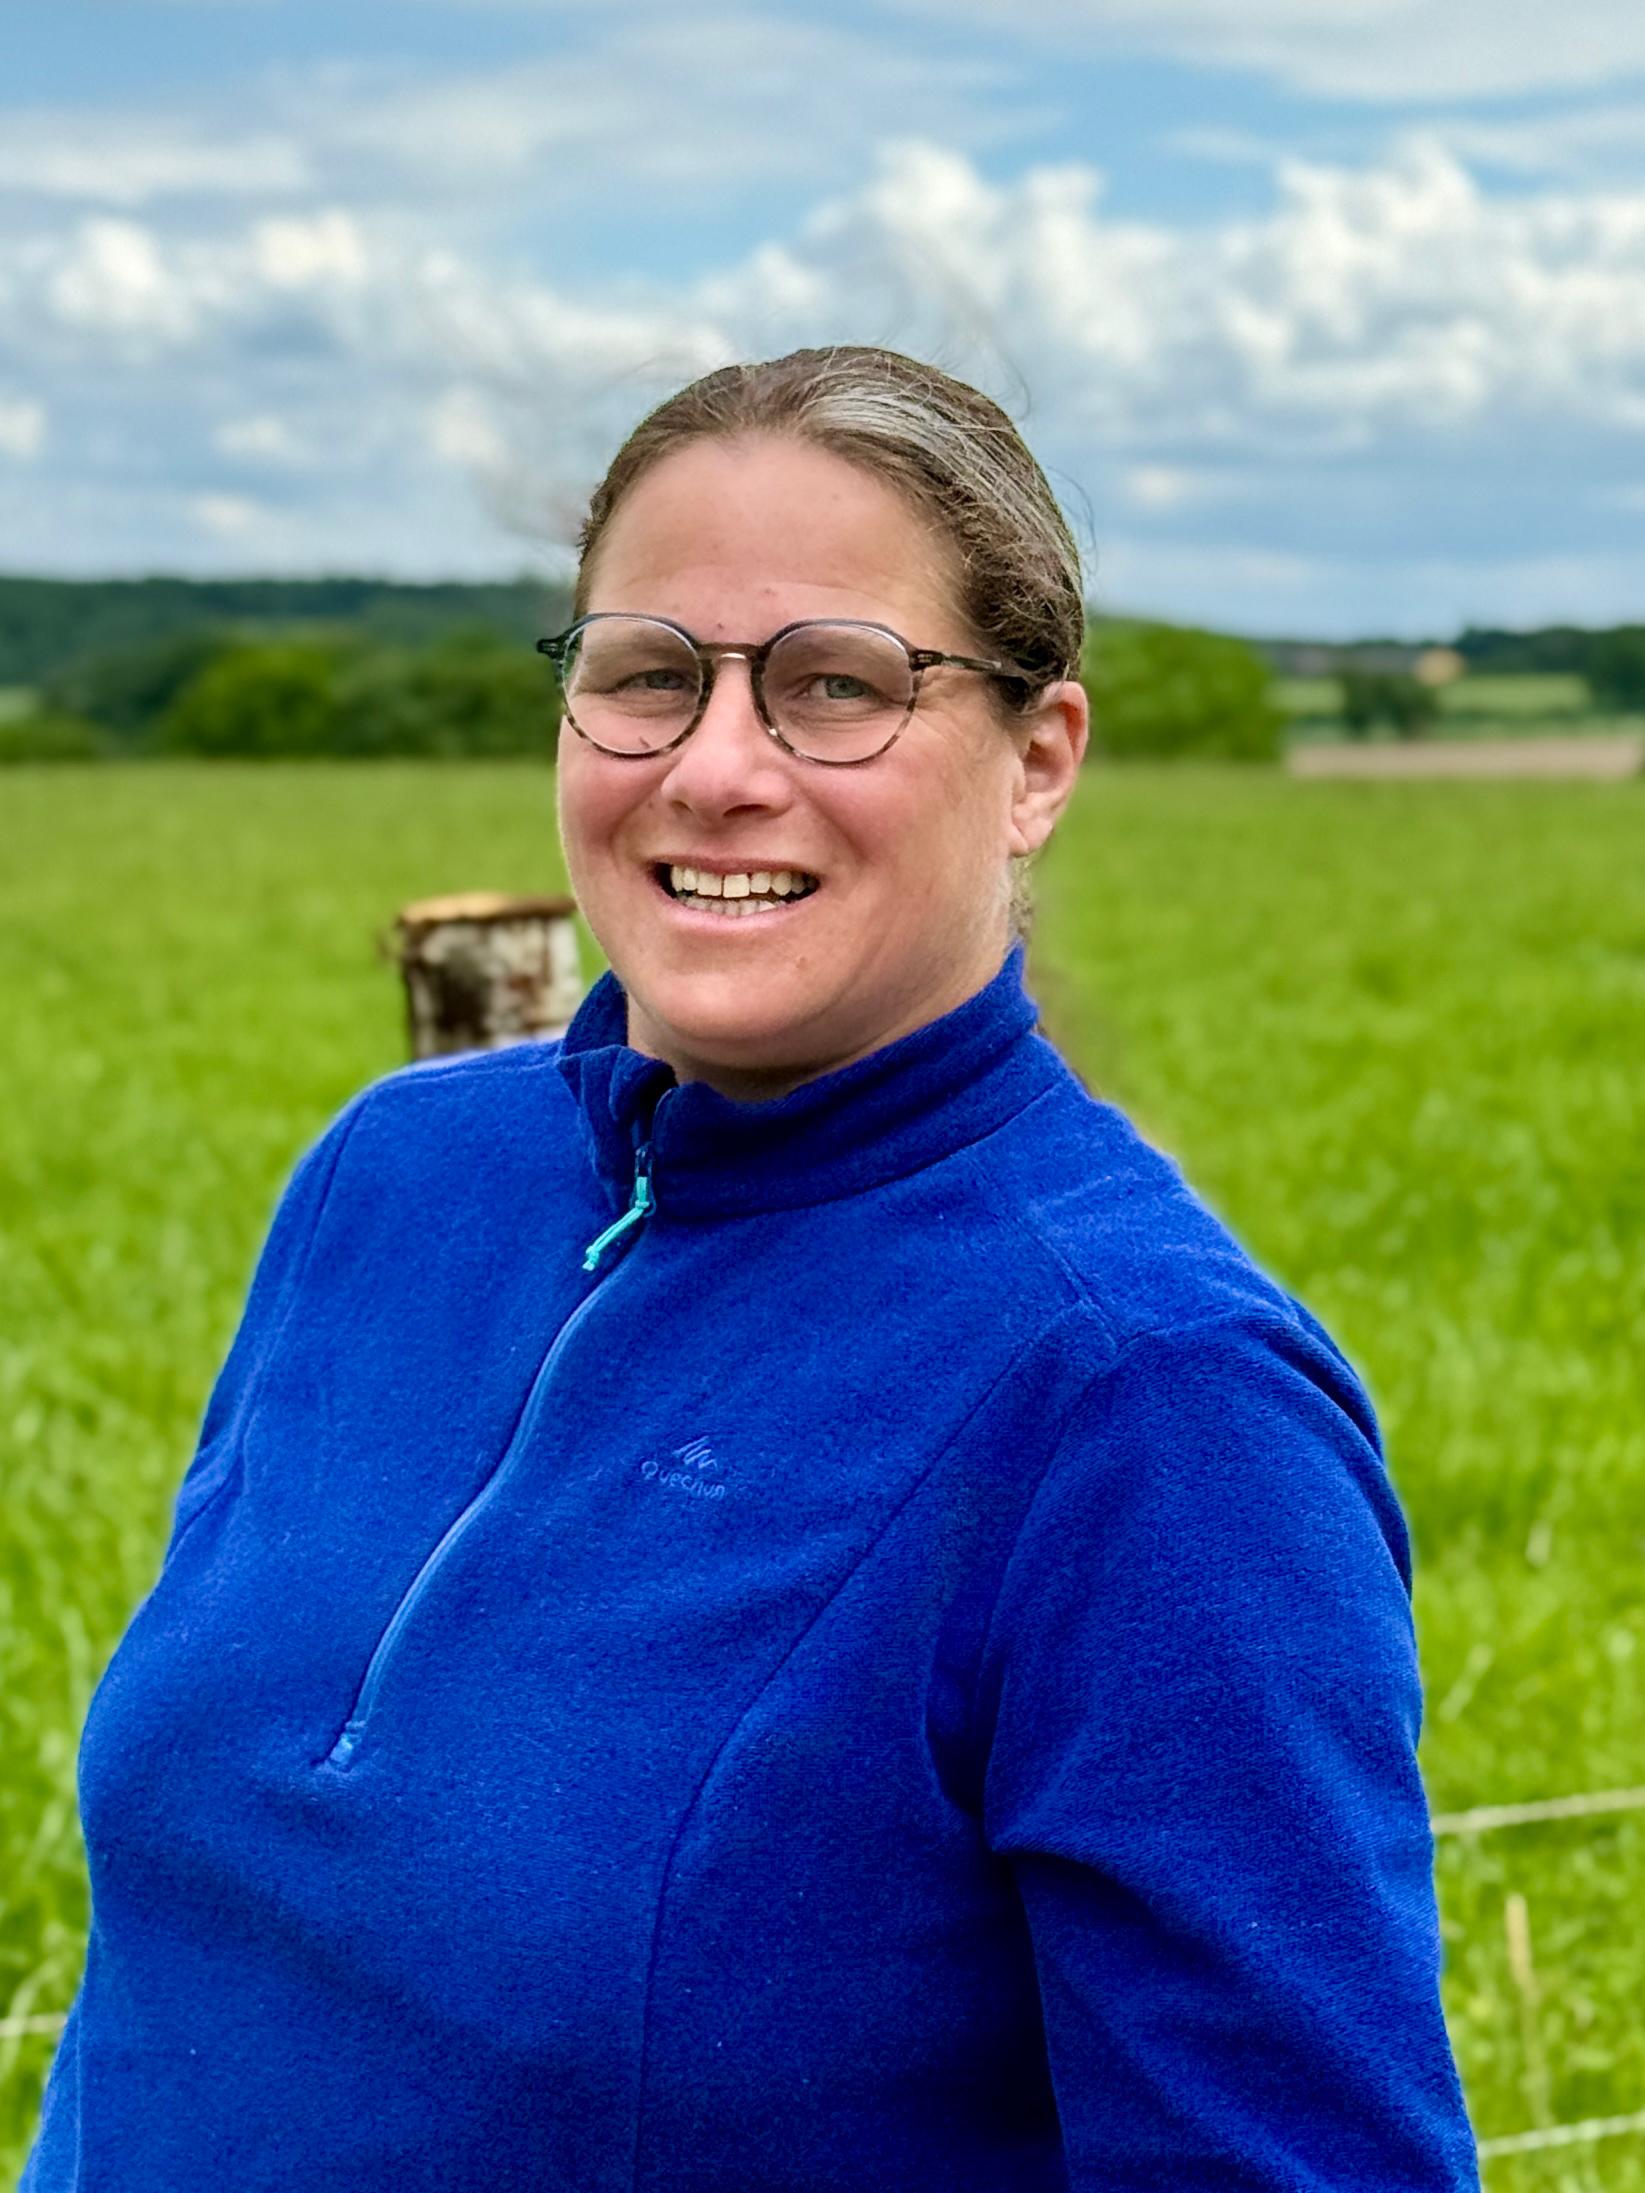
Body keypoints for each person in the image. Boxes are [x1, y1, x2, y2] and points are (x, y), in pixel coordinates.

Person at [25, 346, 1479, 2191]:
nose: (716, 769)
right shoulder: (392, 1181)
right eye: (645, 676)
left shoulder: (1151, 1408)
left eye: (834, 689)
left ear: (1037, 761)